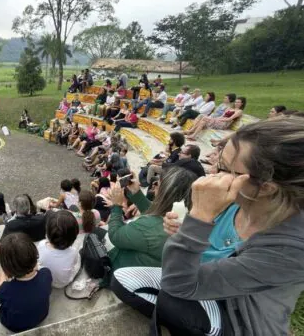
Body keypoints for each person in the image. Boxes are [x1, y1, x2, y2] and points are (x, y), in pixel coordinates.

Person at [115, 117, 304, 336]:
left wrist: (200, 216)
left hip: (238, 314)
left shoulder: (290, 249)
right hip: (205, 277)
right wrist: (188, 230)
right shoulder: (242, 198)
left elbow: (177, 283)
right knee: (122, 280)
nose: (211, 173)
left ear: (266, 188)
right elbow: (199, 256)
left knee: (171, 299)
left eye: (223, 168)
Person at [106, 167, 197, 272]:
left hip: (124, 273)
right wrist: (136, 193)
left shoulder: (147, 227)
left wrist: (116, 206)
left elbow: (115, 235)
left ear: (165, 192)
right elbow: (156, 211)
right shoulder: (186, 221)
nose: (153, 186)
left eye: (156, 184)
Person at [0, 233, 52, 332]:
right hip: (42, 316)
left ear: (7, 268)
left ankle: (0, 274)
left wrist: (3, 273)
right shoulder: (46, 274)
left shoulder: (6, 289)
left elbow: (0, 295)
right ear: (34, 253)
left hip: (13, 325)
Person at [38, 210, 80, 288]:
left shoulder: (41, 244)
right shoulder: (73, 252)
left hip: (48, 281)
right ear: (74, 235)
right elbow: (74, 264)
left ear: (48, 232)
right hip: (63, 283)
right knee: (78, 260)